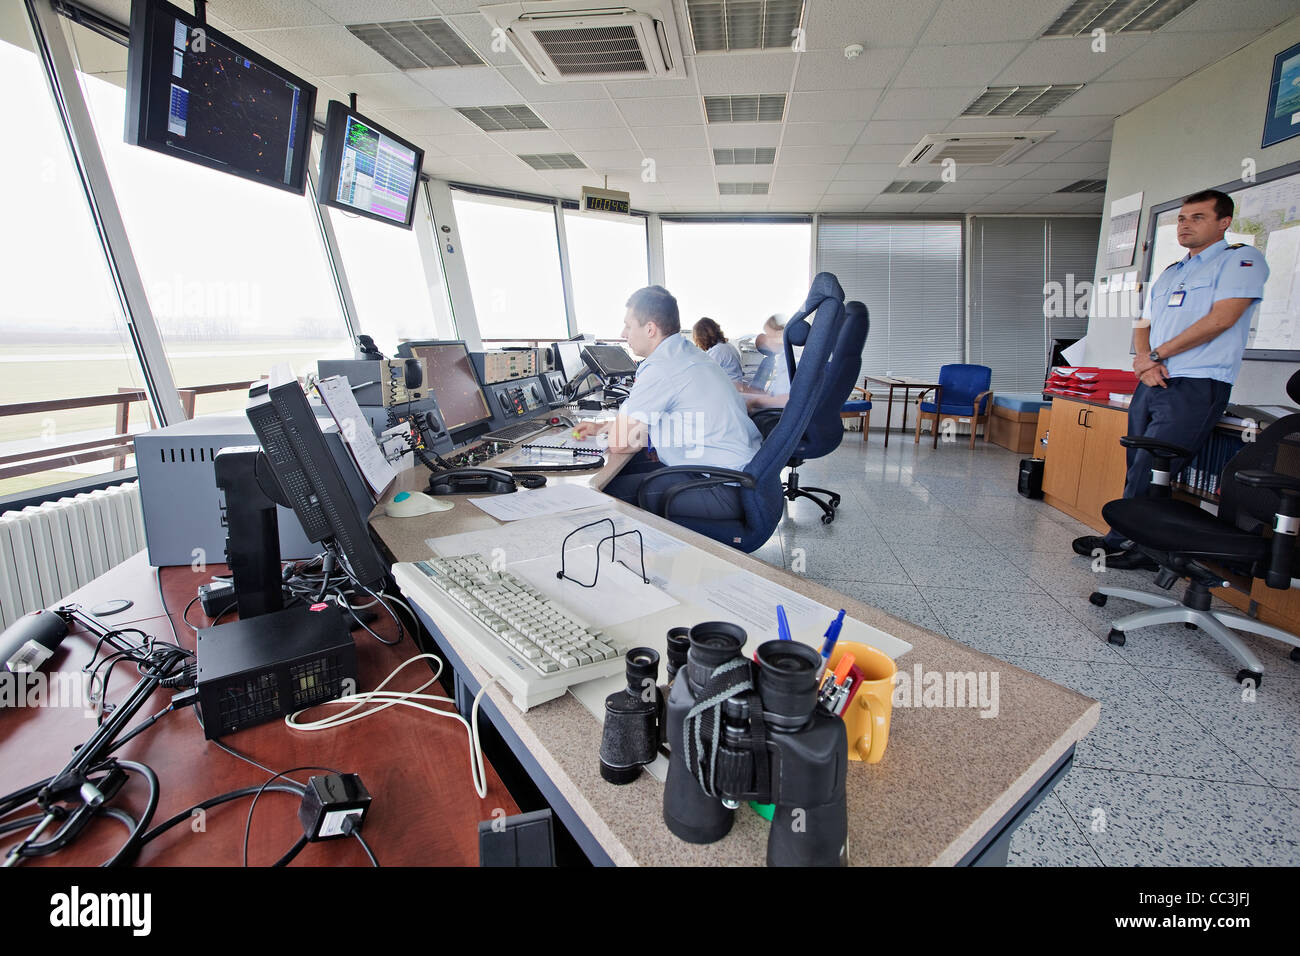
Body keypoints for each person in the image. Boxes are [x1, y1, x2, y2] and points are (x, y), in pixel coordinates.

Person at [1073, 189, 1269, 569]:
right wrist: (1145, 360)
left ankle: (1138, 548)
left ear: (1223, 222)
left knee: (1154, 467)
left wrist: (1158, 356)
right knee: (1138, 464)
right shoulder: (1171, 271)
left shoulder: (1240, 260)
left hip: (1196, 382)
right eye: (1181, 218)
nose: (1185, 224)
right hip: (1153, 379)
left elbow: (1221, 319)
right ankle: (1128, 539)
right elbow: (1143, 321)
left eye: (1197, 217)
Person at [575, 286, 761, 513]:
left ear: (650, 328)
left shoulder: (662, 366)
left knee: (598, 496)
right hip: (742, 475)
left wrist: (619, 432)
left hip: (723, 487)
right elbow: (646, 428)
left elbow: (621, 442)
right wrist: (601, 426)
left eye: (628, 325)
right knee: (628, 469)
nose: (624, 334)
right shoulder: (687, 353)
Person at [743, 314, 793, 411]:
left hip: (780, 414)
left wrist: (755, 402)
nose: (767, 342)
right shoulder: (783, 356)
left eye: (769, 335)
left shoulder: (788, 358)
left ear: (779, 333)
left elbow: (788, 399)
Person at [692, 317, 744, 384]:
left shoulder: (717, 351)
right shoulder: (726, 346)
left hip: (728, 389)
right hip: (734, 387)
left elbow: (703, 376)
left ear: (701, 337)